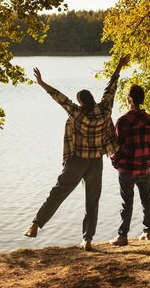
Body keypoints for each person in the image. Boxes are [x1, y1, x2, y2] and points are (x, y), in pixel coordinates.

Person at [24, 55, 130, 251]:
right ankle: (87, 239)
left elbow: (60, 98)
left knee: (58, 192)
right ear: (92, 100)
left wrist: (41, 83)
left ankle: (35, 225)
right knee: (92, 201)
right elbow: (111, 88)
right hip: (96, 162)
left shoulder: (77, 113)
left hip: (77, 162)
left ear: (80, 102)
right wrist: (118, 66)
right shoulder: (105, 110)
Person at [110, 84, 150, 246]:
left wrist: (116, 162)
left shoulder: (123, 121)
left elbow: (116, 147)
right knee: (146, 199)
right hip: (144, 167)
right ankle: (148, 231)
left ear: (130, 99)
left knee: (127, 202)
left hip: (127, 169)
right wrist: (147, 161)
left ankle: (123, 236)